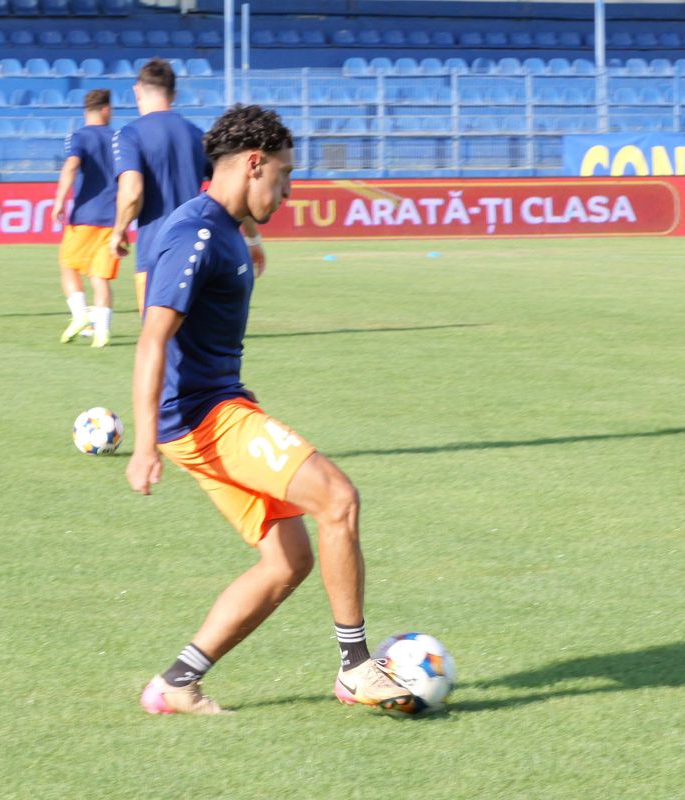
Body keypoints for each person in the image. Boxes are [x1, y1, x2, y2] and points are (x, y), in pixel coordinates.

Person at [127, 105, 414, 716]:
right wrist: (144, 445)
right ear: (253, 164)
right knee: (338, 499)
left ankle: (177, 682)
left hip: (212, 410)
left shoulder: (225, 227)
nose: (287, 192)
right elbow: (152, 339)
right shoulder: (196, 233)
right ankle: (356, 669)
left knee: (289, 561)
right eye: (284, 176)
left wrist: (249, 245)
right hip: (205, 418)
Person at [109, 58, 266, 314]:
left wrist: (119, 230)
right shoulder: (196, 135)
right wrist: (252, 239)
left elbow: (132, 192)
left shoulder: (130, 135)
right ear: (174, 94)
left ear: (137, 91)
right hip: (202, 251)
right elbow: (234, 190)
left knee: (159, 335)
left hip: (158, 253)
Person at [51, 89, 119, 348]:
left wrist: (59, 200)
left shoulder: (79, 137)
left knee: (68, 266)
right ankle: (102, 331)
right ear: (106, 109)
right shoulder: (119, 138)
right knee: (99, 277)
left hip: (85, 216)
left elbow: (71, 165)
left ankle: (80, 315)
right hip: (114, 218)